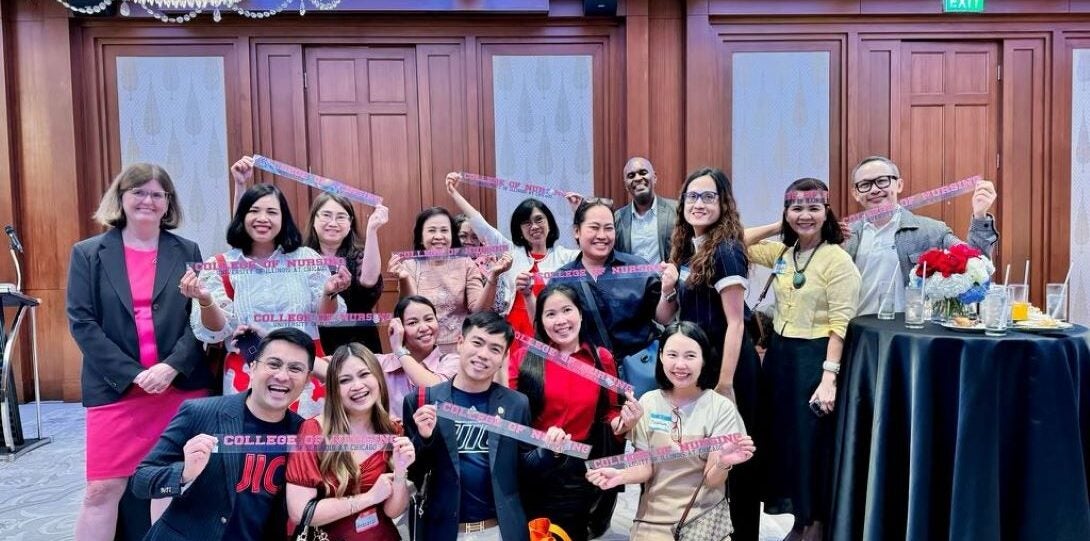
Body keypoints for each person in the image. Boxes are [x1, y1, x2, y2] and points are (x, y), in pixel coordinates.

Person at [68, 163, 211, 541]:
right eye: (138, 192)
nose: (147, 200)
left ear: (168, 204)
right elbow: (82, 323)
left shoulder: (188, 250)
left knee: (169, 484)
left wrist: (170, 368)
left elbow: (198, 320)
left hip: (177, 390)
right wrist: (133, 374)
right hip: (116, 390)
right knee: (101, 490)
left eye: (157, 194)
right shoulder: (88, 254)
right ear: (121, 197)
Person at [179, 157, 351, 419]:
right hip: (248, 373)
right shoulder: (221, 265)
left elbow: (326, 317)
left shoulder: (306, 259)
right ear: (242, 217)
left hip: (305, 373)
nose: (262, 219)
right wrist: (204, 300)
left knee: (307, 451)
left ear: (284, 218)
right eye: (254, 211)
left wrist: (329, 292)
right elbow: (215, 332)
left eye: (272, 212)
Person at [747, 178, 861, 541]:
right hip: (781, 358)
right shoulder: (783, 254)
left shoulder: (837, 260)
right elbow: (736, 241)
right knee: (785, 441)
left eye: (814, 208)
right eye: (796, 208)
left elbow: (840, 324)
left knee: (812, 443)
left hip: (816, 360)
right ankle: (799, 518)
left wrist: (829, 377)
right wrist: (778, 227)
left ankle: (816, 523)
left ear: (827, 212)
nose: (805, 215)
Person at [655, 167, 763, 541]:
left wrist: (726, 384)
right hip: (700, 366)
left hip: (729, 366)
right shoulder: (688, 249)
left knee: (738, 458)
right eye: (692, 196)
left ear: (723, 203)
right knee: (708, 456)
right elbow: (665, 316)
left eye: (708, 197)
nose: (698, 204)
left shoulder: (727, 250)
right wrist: (668, 288)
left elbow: (736, 323)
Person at [132, 327, 315, 541]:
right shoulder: (199, 412)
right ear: (253, 367)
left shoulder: (303, 434)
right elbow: (141, 481)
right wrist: (184, 474)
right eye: (273, 364)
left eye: (295, 369)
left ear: (308, 380)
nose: (282, 376)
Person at [403, 312, 569, 541]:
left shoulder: (516, 404)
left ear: (503, 358)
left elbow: (524, 468)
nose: (483, 355)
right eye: (477, 343)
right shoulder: (422, 401)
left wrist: (551, 451)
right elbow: (413, 472)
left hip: (499, 530)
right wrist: (424, 438)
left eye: (494, 349)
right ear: (460, 343)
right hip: (445, 530)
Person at [586, 322, 756, 541]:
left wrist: (723, 461)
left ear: (704, 358)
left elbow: (712, 480)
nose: (680, 364)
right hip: (652, 521)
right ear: (661, 356)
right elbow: (645, 467)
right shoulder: (648, 402)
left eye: (690, 356)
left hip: (702, 521)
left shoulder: (720, 407)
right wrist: (620, 475)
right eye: (672, 354)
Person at [512, 284, 641, 540]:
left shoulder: (600, 358)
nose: (560, 321)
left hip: (576, 471)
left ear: (580, 314)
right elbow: (509, 416)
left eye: (567, 310)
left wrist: (624, 423)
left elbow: (610, 411)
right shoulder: (523, 357)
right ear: (540, 320)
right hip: (531, 465)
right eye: (550, 314)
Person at [285, 343, 415, 541]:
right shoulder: (314, 431)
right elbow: (301, 512)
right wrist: (369, 498)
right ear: (334, 389)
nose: (357, 386)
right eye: (345, 380)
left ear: (378, 378)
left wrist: (399, 473)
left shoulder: (392, 430)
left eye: (364, 374)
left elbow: (393, 511)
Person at [844, 155, 998, 315]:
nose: (874, 189)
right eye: (865, 184)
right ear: (856, 193)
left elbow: (978, 263)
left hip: (910, 333)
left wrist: (980, 217)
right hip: (857, 332)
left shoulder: (932, 231)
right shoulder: (844, 237)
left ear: (899, 185)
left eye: (882, 181)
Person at [445, 172, 579, 342]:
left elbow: (588, 248)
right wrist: (454, 193)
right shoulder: (510, 251)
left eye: (539, 220)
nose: (534, 226)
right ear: (520, 230)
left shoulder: (564, 256)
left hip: (551, 331)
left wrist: (578, 210)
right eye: (527, 223)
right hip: (513, 331)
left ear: (549, 224)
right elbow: (481, 225)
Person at [387, 206, 511, 353]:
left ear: (452, 236)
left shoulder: (466, 264)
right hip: (422, 350)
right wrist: (404, 279)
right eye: (432, 230)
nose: (439, 236)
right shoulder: (409, 266)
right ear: (420, 237)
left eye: (444, 230)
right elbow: (413, 309)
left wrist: (493, 276)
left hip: (459, 350)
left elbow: (479, 310)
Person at [304, 192, 388, 355]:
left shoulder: (357, 255)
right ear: (314, 220)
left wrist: (372, 229)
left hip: (359, 344)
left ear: (350, 223)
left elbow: (369, 280)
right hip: (315, 344)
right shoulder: (301, 256)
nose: (333, 223)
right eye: (326, 215)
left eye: (341, 217)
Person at [378, 295, 460, 420]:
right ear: (399, 329)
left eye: (429, 319)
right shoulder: (380, 364)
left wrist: (399, 350)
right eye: (413, 323)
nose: (424, 328)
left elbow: (436, 392)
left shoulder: (452, 362)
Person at [614, 157, 679, 265]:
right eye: (631, 176)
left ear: (654, 177)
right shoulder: (617, 218)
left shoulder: (677, 211)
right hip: (632, 281)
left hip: (668, 280)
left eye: (643, 172)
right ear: (626, 185)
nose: (638, 178)